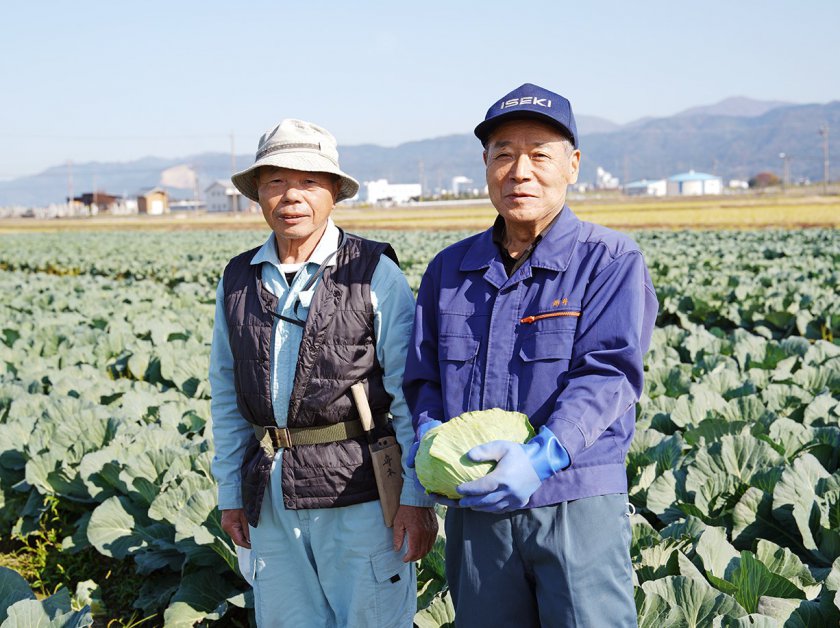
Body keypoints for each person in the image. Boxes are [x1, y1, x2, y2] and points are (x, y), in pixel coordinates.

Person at [404, 84, 658, 627]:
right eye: (503, 154)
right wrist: (430, 436)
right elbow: (423, 380)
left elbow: (609, 375)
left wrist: (542, 456)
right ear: (486, 165)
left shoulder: (609, 260)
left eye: (540, 154)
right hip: (476, 505)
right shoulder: (450, 270)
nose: (520, 170)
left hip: (574, 499)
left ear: (573, 164)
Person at [210, 118, 437, 627]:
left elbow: (410, 391)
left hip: (359, 494)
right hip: (269, 495)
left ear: (334, 191)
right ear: (259, 195)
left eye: (309, 182)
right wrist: (230, 494)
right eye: (276, 182)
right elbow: (226, 395)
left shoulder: (374, 270)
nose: (291, 196)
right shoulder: (237, 279)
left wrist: (416, 499)